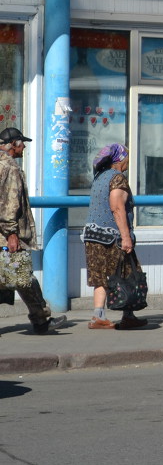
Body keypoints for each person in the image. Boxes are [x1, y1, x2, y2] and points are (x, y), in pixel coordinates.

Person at [0, 127, 66, 335]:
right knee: (25, 278)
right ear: (13, 144)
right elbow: (10, 203)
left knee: (14, 277)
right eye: (22, 142)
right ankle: (40, 320)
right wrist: (12, 233)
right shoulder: (11, 167)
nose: (24, 146)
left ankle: (40, 319)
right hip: (7, 235)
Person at [83, 143, 145, 330]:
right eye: (127, 158)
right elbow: (117, 208)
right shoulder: (117, 178)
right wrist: (126, 237)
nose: (128, 162)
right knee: (125, 273)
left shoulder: (99, 177)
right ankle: (126, 315)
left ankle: (100, 316)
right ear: (120, 159)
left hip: (93, 235)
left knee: (101, 276)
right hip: (111, 237)